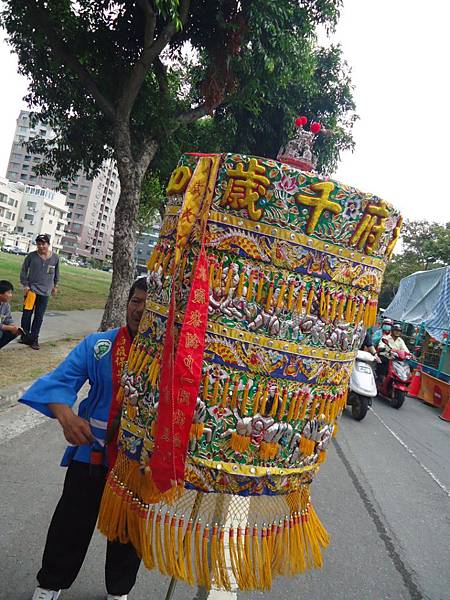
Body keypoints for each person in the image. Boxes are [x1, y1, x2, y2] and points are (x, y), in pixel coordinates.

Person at [20, 277, 148, 600]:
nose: (141, 309)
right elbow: (57, 383)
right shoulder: (99, 345)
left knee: (128, 534)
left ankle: (119, 592)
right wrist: (66, 416)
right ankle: (49, 585)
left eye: (149, 303)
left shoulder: (170, 360)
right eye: (136, 300)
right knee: (70, 525)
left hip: (136, 466)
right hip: (89, 457)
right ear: (127, 303)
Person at [20, 233, 60, 350]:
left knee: (39, 316)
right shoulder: (31, 256)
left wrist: (55, 285)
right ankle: (25, 336)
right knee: (27, 315)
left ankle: (34, 339)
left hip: (45, 292)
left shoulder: (55, 258)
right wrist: (25, 285)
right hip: (31, 291)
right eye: (39, 244)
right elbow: (24, 270)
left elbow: (57, 273)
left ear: (48, 244)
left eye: (43, 244)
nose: (41, 246)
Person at [0, 280, 22, 349]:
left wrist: (14, 327)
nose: (11, 295)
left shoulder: (6, 305)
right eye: (8, 293)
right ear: (0, 294)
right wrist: (9, 328)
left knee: (14, 332)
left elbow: (8, 319)